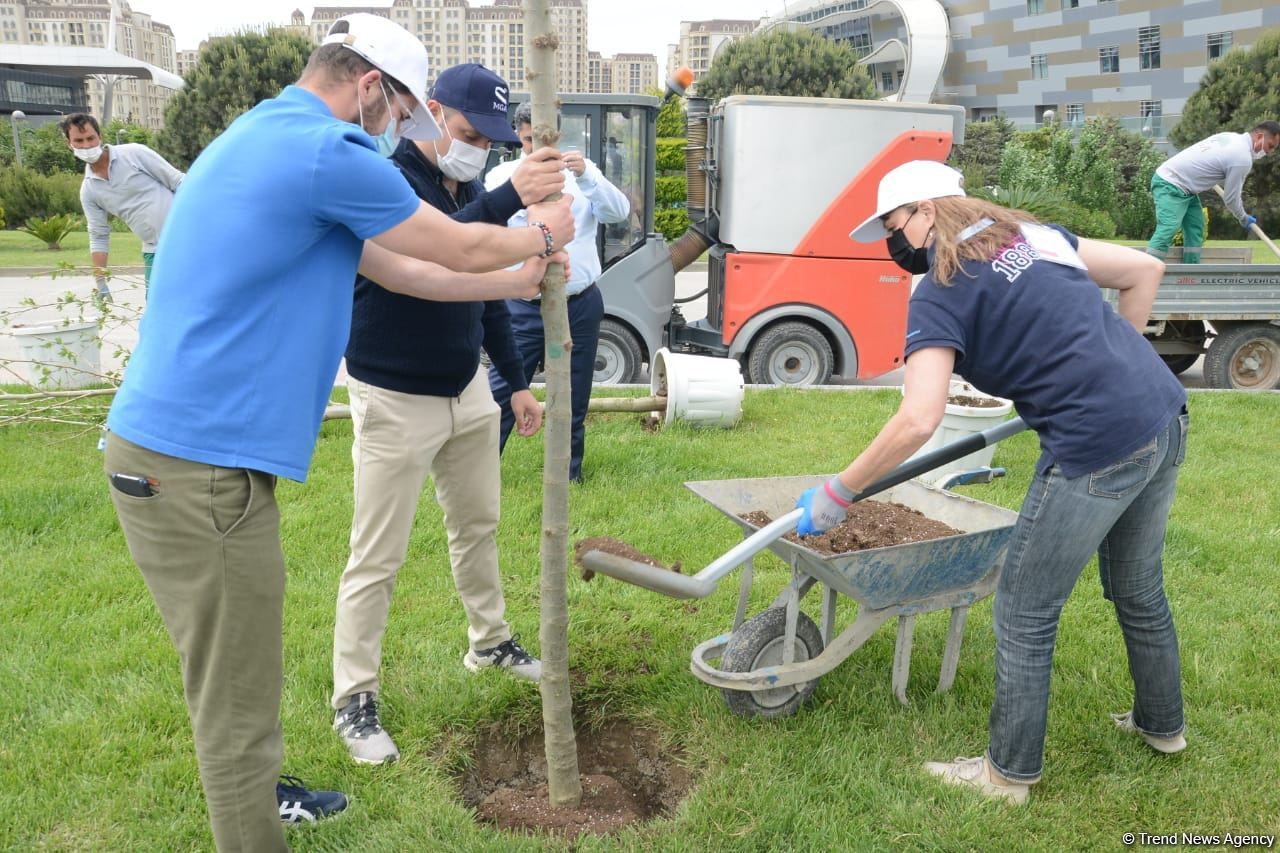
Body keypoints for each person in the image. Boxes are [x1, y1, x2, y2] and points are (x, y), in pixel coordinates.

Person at [103, 13, 573, 851]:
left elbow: (406, 271)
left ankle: (260, 791)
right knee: (236, 695)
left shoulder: (265, 135)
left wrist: (514, 278)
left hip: (179, 452)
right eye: (401, 113)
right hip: (195, 463)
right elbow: (449, 244)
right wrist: (539, 234)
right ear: (368, 87)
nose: (400, 130)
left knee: (235, 671)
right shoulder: (326, 152)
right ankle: (252, 824)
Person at [798, 160, 1188, 805]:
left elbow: (918, 418)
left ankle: (1007, 776)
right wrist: (1118, 362)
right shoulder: (1035, 236)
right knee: (1139, 587)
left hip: (1096, 445)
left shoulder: (941, 288)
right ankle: (1162, 727)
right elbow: (1144, 270)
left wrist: (839, 491)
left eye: (894, 226)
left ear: (927, 211)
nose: (895, 243)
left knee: (1025, 610)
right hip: (1162, 414)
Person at [332, 62, 569, 765]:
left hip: (466, 390)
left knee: (477, 525)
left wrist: (514, 382)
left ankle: (489, 642)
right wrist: (509, 199)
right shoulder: (389, 182)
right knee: (376, 554)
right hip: (393, 395)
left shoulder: (463, 187)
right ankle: (354, 698)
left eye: (490, 142)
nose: (478, 150)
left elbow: (482, 288)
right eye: (469, 133)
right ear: (431, 113)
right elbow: (440, 249)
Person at [486, 102, 631, 482]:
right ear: (519, 137)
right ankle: (479, 473)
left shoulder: (581, 173)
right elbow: (489, 232)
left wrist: (586, 176)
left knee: (574, 395)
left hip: (579, 303)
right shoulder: (503, 176)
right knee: (501, 393)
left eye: (544, 140)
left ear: (558, 135)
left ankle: (569, 475)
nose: (537, 148)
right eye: (528, 140)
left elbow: (619, 212)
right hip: (523, 305)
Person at [61, 113, 184, 300]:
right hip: (154, 250)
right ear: (69, 144)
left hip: (187, 237)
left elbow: (179, 182)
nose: (86, 145)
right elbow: (98, 235)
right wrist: (100, 282)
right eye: (79, 140)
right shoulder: (89, 191)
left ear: (100, 137)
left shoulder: (134, 153)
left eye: (91, 138)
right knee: (157, 307)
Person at [1146, 120, 1279, 263]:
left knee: (1195, 228)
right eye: (1270, 146)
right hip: (1170, 182)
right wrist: (1243, 217)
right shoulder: (1242, 158)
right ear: (1259, 137)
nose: (1269, 152)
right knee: (1168, 228)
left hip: (1187, 189)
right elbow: (1231, 198)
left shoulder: (1231, 137)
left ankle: (1191, 271)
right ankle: (1145, 270)